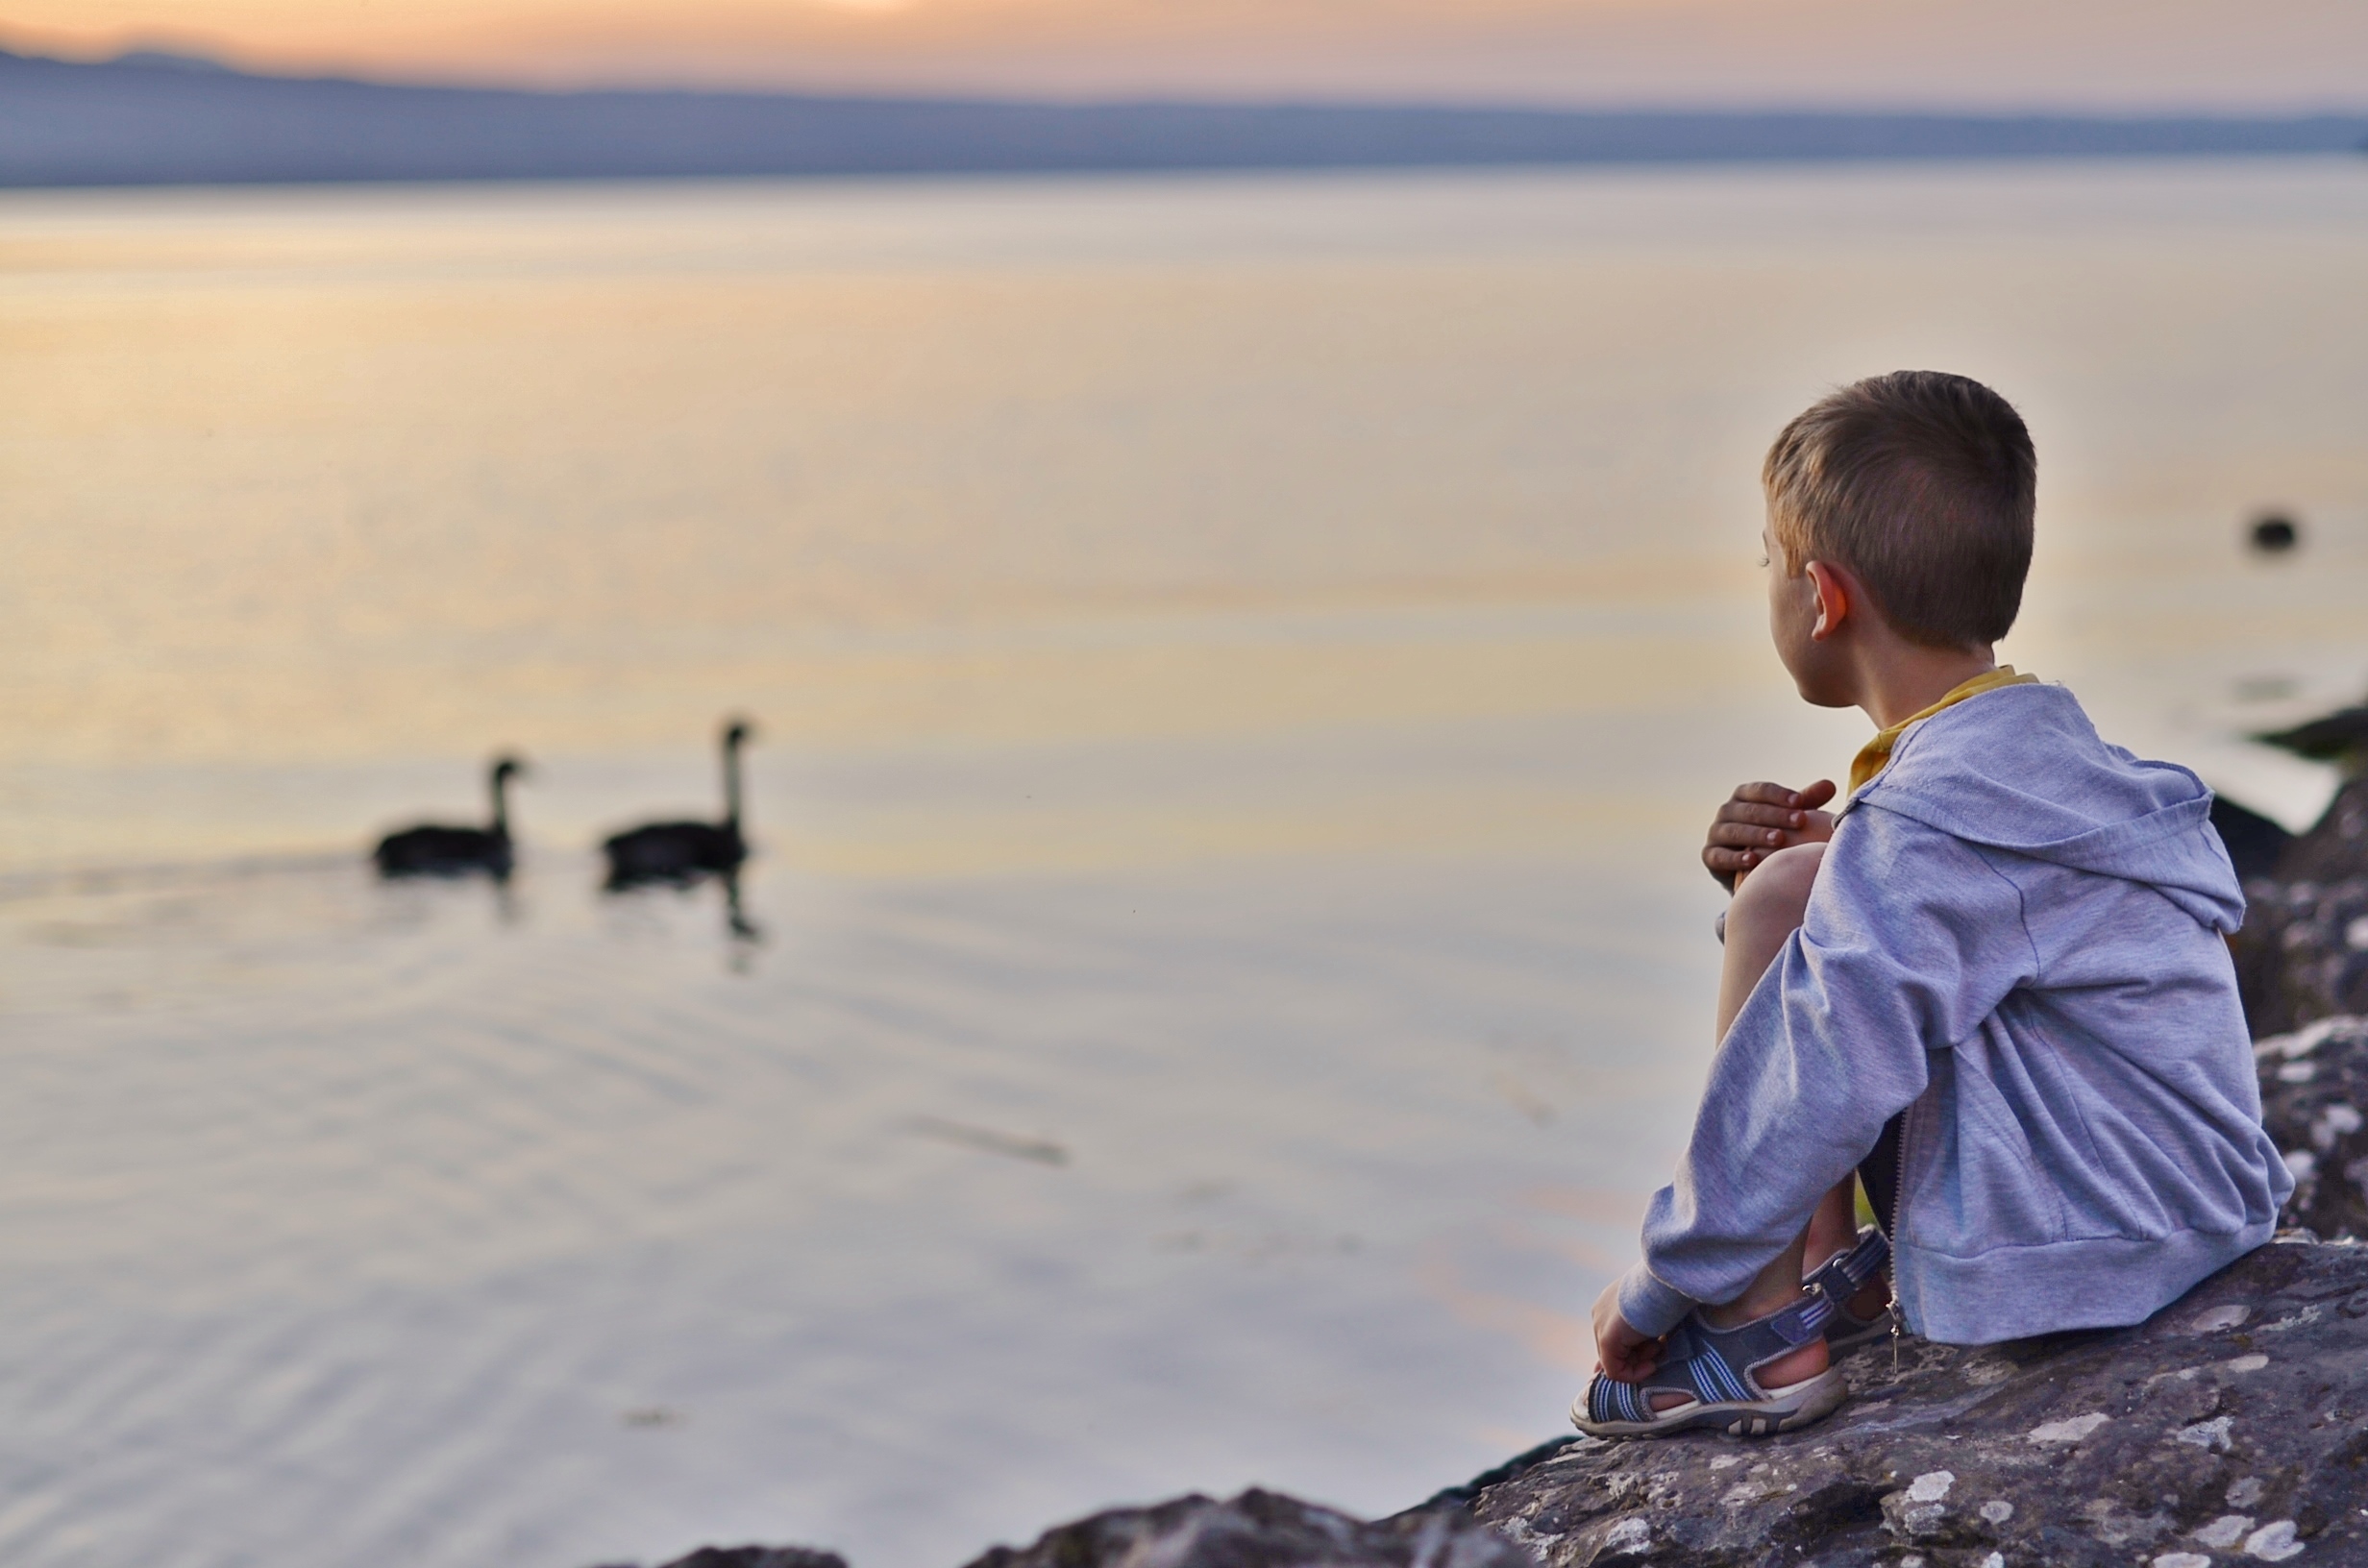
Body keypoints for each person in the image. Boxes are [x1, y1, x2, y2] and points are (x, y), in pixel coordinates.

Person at [1573, 371, 2293, 1437]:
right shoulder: (2035, 765)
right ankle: (1822, 1276)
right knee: (1786, 894)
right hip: (2191, 1206)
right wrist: (1808, 877)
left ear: (1822, 597)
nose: (1766, 583)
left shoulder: (1932, 825)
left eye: (1767, 562)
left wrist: (1663, 1277)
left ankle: (1749, 1326)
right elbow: (1950, 927)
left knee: (1813, 959)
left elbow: (1826, 1054)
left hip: (2085, 1255)